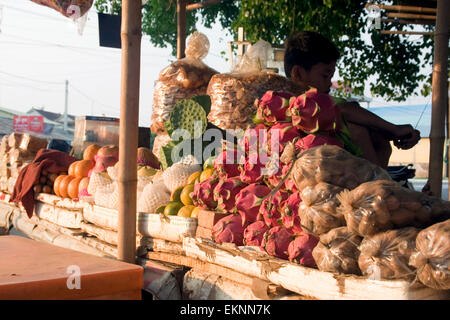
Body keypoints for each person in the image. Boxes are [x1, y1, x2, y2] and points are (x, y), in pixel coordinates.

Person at [284, 31, 421, 169]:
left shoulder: (331, 114)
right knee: (357, 130)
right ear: (298, 74)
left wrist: (395, 134)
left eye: (331, 77)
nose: (329, 83)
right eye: (325, 76)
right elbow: (343, 109)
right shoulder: (294, 105)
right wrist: (395, 129)